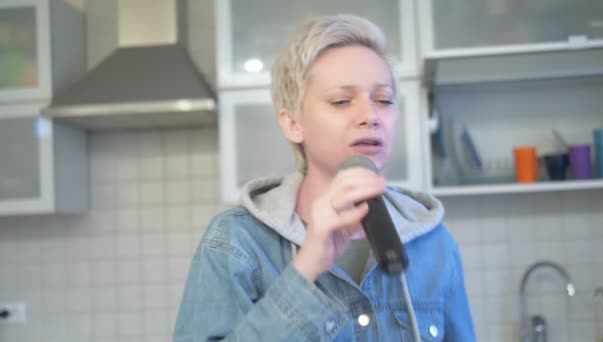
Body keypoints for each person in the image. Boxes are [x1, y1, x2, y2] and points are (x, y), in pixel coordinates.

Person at [174, 14, 475, 341]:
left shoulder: (434, 243)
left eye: (384, 100)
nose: (370, 116)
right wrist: (305, 271)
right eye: (341, 101)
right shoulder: (235, 242)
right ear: (293, 123)